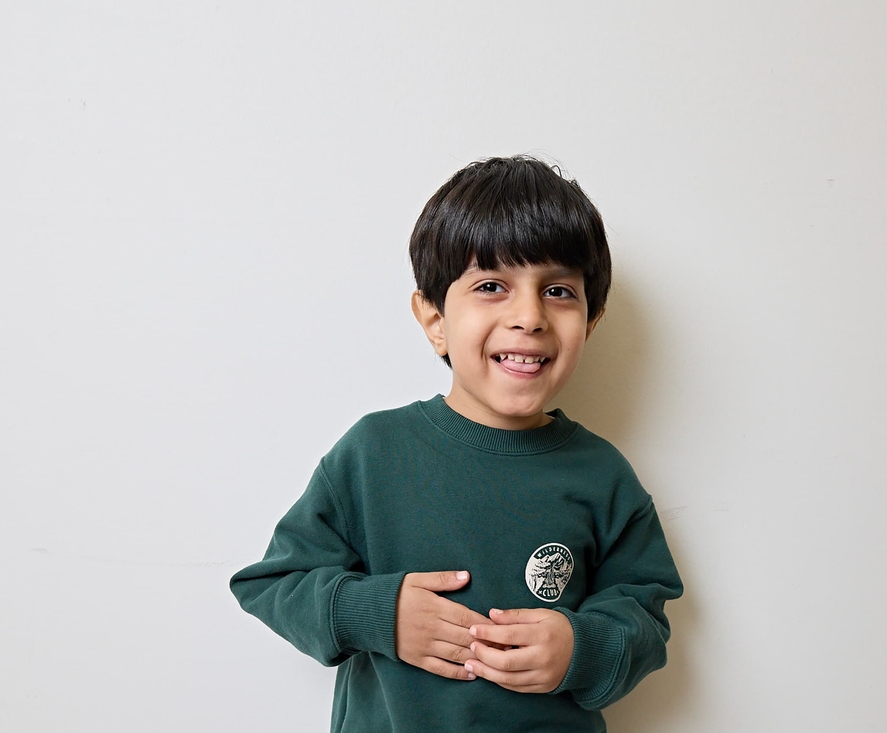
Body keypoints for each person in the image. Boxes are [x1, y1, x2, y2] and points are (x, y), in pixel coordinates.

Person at [230, 155, 683, 732]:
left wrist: (581, 646)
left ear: (589, 321)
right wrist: (377, 613)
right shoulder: (375, 453)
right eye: (492, 286)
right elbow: (273, 583)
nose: (529, 316)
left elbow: (644, 614)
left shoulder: (602, 476)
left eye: (560, 291)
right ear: (434, 318)